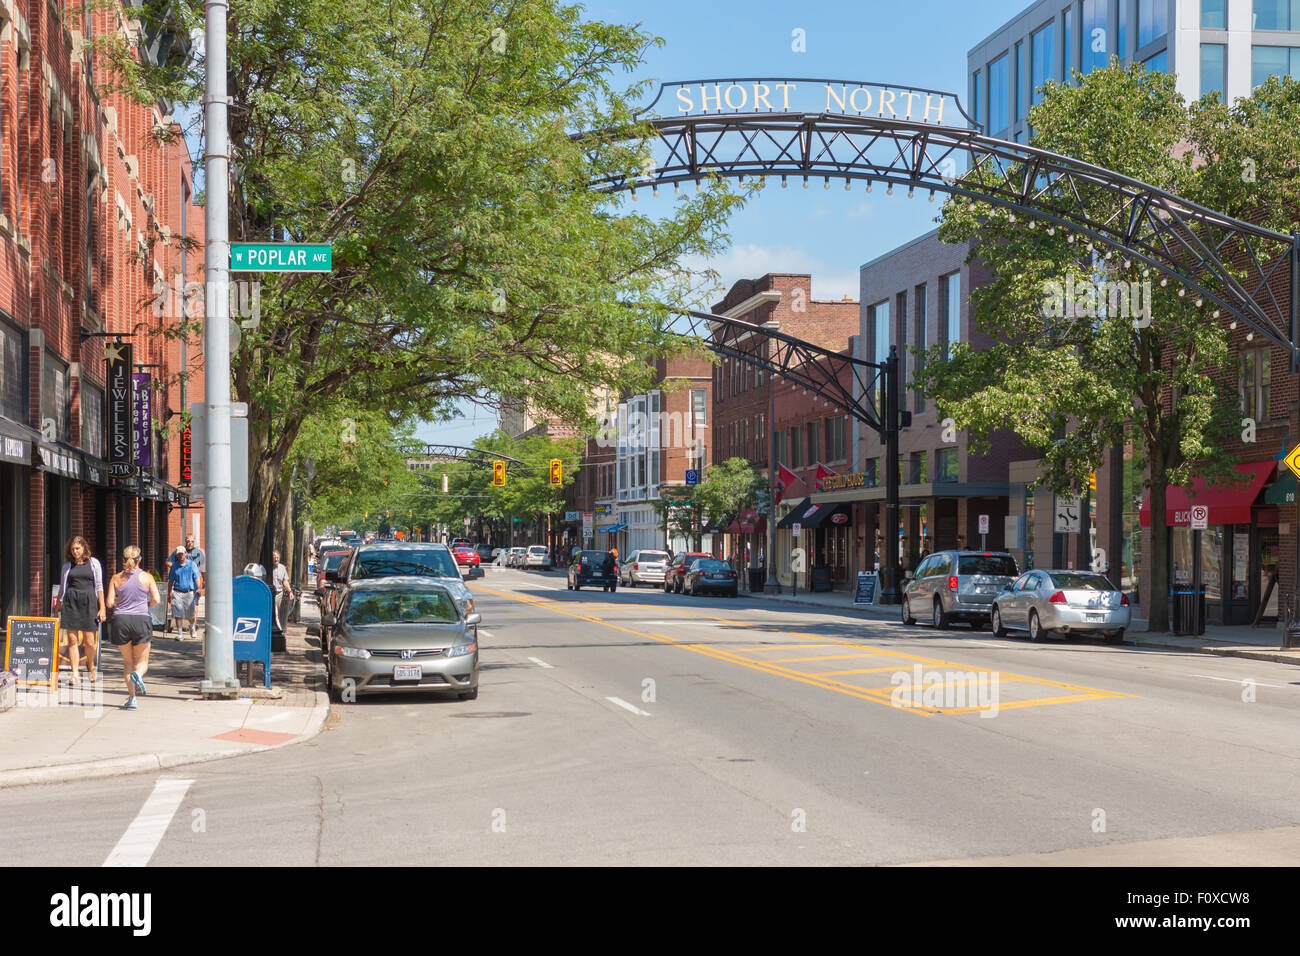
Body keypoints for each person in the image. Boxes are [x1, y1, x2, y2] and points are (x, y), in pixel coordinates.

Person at [106, 545, 161, 710]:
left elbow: (109, 603)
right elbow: (157, 599)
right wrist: (146, 606)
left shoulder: (116, 578)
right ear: (140, 559)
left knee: (128, 661)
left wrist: (119, 603)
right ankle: (138, 675)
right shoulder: (147, 577)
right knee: (142, 661)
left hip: (121, 621)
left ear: (123, 559)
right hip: (141, 620)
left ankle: (132, 698)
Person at [55, 536, 106, 684]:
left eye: (77, 548)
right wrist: (57, 608)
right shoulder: (67, 566)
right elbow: (62, 589)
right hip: (71, 603)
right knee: (72, 640)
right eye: (72, 549)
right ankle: (75, 673)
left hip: (89, 602)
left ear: (84, 548)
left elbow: (99, 586)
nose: (75, 551)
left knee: (89, 641)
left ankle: (91, 668)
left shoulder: (93, 563)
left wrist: (102, 608)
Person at [167, 546, 203, 639]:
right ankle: (180, 634)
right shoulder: (174, 566)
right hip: (177, 592)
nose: (180, 556)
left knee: (190, 614)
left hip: (189, 592)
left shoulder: (192, 565)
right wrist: (169, 593)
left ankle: (192, 627)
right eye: (178, 554)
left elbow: (197, 578)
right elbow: (171, 580)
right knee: (178, 614)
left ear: (185, 554)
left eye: (182, 554)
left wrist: (199, 588)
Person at [271, 549, 294, 633]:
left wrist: (290, 592)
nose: (276, 559)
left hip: (279, 593)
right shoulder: (268, 567)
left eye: (277, 557)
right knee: (275, 612)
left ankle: (276, 628)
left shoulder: (282, 568)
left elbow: (285, 581)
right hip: (270, 594)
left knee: (276, 611)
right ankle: (278, 630)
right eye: (274, 557)